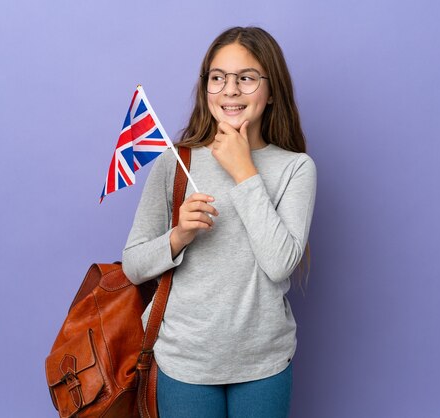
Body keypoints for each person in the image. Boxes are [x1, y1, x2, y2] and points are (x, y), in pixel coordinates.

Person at [122, 26, 316, 418]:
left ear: (272, 89)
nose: (230, 90)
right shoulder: (175, 163)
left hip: (263, 364)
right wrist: (178, 237)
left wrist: (245, 173)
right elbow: (134, 265)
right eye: (218, 78)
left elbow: (280, 263)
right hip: (183, 362)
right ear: (206, 87)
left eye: (246, 78)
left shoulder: (296, 168)